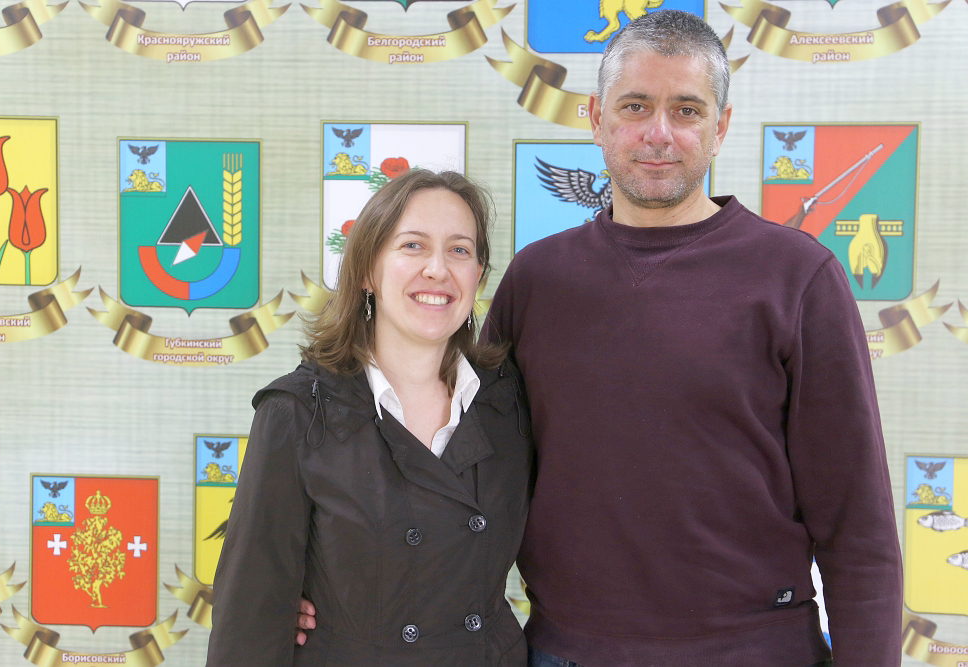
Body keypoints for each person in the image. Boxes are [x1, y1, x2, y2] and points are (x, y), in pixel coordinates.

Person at [296, 10, 903, 666]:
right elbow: (458, 468)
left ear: (721, 126)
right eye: (635, 106)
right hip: (565, 652)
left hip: (754, 652)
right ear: (595, 118)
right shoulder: (538, 279)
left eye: (687, 110)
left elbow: (858, 527)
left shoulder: (798, 277)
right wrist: (335, 576)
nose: (658, 133)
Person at [207, 168, 533, 667]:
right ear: (366, 271)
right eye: (412, 246)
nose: (437, 269)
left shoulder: (508, 403)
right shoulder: (298, 413)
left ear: (479, 276)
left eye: (459, 250)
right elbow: (250, 619)